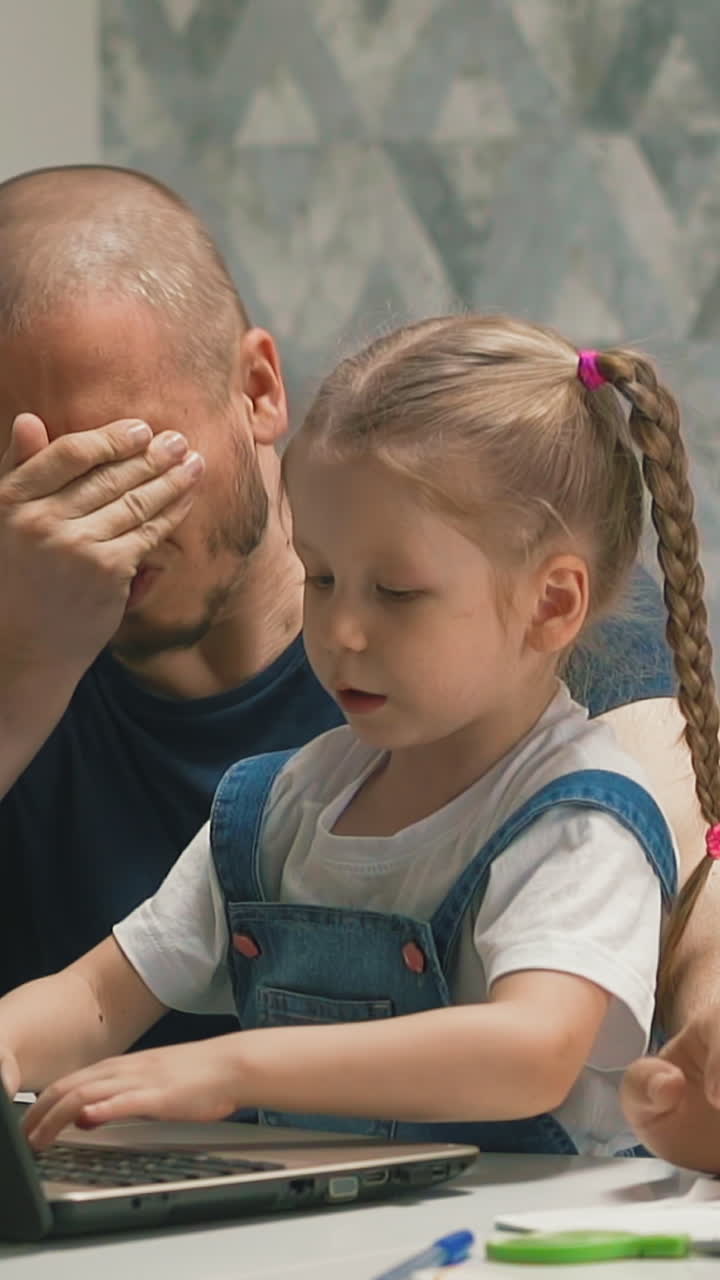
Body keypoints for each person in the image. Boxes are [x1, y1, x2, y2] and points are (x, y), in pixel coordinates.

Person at [0, 165, 676, 1058]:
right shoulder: (276, 805)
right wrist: (26, 657)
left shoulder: (533, 645)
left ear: (257, 392)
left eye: (117, 462)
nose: (77, 524)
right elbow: (91, 998)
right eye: (25, 477)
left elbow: (676, 872)